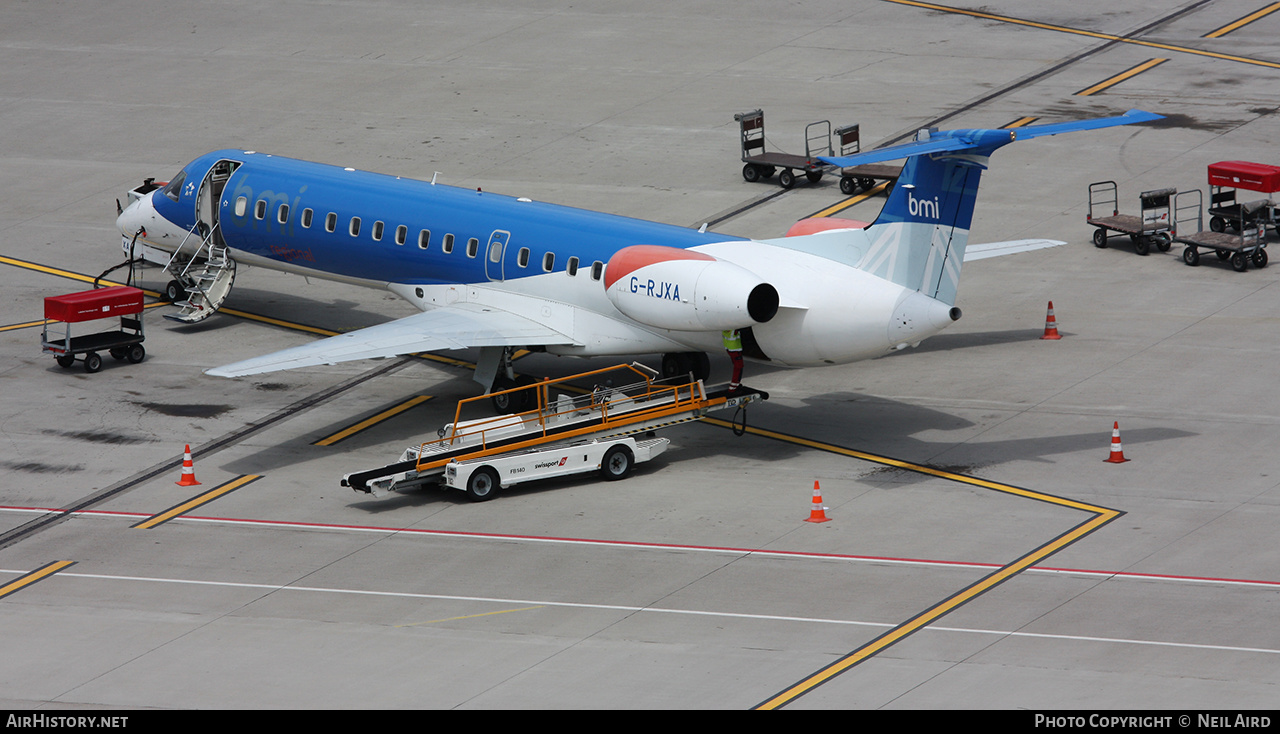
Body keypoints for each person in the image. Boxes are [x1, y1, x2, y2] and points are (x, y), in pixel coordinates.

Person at [722, 329, 744, 394]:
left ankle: (736, 385)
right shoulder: (733, 330)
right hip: (736, 351)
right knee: (738, 368)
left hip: (730, 350)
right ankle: (733, 388)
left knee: (737, 367)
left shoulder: (725, 330)